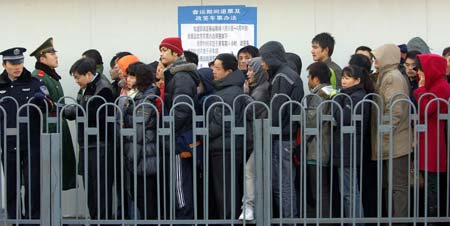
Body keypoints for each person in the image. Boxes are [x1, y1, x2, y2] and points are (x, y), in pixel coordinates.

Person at [0, 47, 52, 225]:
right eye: (13, 63)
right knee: (12, 186)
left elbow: (50, 107)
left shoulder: (34, 82)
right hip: (8, 144)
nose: (17, 67)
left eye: (20, 62)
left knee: (33, 183)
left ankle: (33, 220)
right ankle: (15, 220)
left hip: (32, 142)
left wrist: (42, 101)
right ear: (4, 64)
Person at [64, 57, 114, 225]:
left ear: (89, 74)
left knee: (100, 188)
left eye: (78, 77)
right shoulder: (86, 88)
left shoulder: (103, 89)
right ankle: (95, 219)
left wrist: (70, 111)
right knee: (90, 188)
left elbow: (91, 113)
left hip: (100, 144)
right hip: (87, 144)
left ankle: (103, 220)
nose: (76, 81)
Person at [259, 41, 304, 222]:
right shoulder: (288, 74)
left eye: (264, 59)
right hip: (289, 135)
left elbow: (277, 111)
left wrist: (267, 129)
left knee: (283, 184)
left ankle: (289, 219)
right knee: (284, 182)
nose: (262, 63)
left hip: (283, 137)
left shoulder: (281, 77)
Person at [159, 37, 200, 222]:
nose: (161, 54)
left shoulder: (181, 77)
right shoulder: (176, 75)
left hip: (179, 139)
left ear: (176, 53)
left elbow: (182, 109)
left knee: (180, 184)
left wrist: (168, 128)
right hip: (179, 137)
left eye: (165, 50)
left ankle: (184, 219)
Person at [29, 37, 77, 190]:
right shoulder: (39, 76)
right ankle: (47, 213)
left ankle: (53, 212)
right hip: (48, 131)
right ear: (42, 58)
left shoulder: (51, 76)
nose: (56, 56)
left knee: (57, 175)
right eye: (52, 54)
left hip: (56, 128)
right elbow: (46, 104)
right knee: (49, 175)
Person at [371, 44, 411, 221]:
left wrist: (384, 132)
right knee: (391, 187)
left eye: (378, 56)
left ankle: (399, 221)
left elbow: (396, 109)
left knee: (398, 188)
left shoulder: (392, 78)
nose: (375, 60)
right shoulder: (385, 76)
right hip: (390, 141)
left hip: (395, 141)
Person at [209, 53, 246, 222]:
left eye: (217, 68)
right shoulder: (228, 89)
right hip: (229, 146)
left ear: (229, 71)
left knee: (225, 192)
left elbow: (221, 123)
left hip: (224, 147)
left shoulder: (228, 93)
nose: (213, 71)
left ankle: (229, 220)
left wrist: (202, 134)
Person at [413, 53, 450, 218]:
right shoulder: (433, 85)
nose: (419, 73)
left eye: (421, 69)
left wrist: (420, 90)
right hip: (426, 139)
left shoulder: (442, 86)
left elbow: (426, 109)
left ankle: (433, 218)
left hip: (433, 141)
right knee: (427, 183)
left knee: (431, 185)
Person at [332, 65, 370, 224]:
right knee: (347, 190)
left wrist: (336, 101)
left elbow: (343, 118)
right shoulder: (349, 95)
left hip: (349, 147)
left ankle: (356, 221)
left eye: (348, 78)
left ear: (358, 80)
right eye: (343, 77)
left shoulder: (356, 97)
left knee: (349, 191)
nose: (343, 80)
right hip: (345, 147)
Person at [123, 62, 159, 221]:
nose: (128, 79)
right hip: (137, 154)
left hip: (145, 155)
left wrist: (124, 115)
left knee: (146, 200)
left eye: (132, 76)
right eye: (128, 75)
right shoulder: (135, 96)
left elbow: (140, 125)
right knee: (140, 198)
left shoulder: (147, 98)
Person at [238, 57, 270, 221]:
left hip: (262, 140)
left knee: (250, 171)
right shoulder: (258, 88)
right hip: (258, 139)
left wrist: (244, 95)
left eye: (251, 70)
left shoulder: (261, 90)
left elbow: (252, 111)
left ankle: (249, 208)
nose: (248, 73)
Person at [304, 61, 336, 221]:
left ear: (315, 78)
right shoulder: (331, 91)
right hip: (328, 146)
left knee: (319, 191)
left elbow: (311, 121)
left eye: (309, 77)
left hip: (317, 148)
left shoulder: (318, 95)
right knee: (325, 189)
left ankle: (323, 221)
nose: (308, 81)